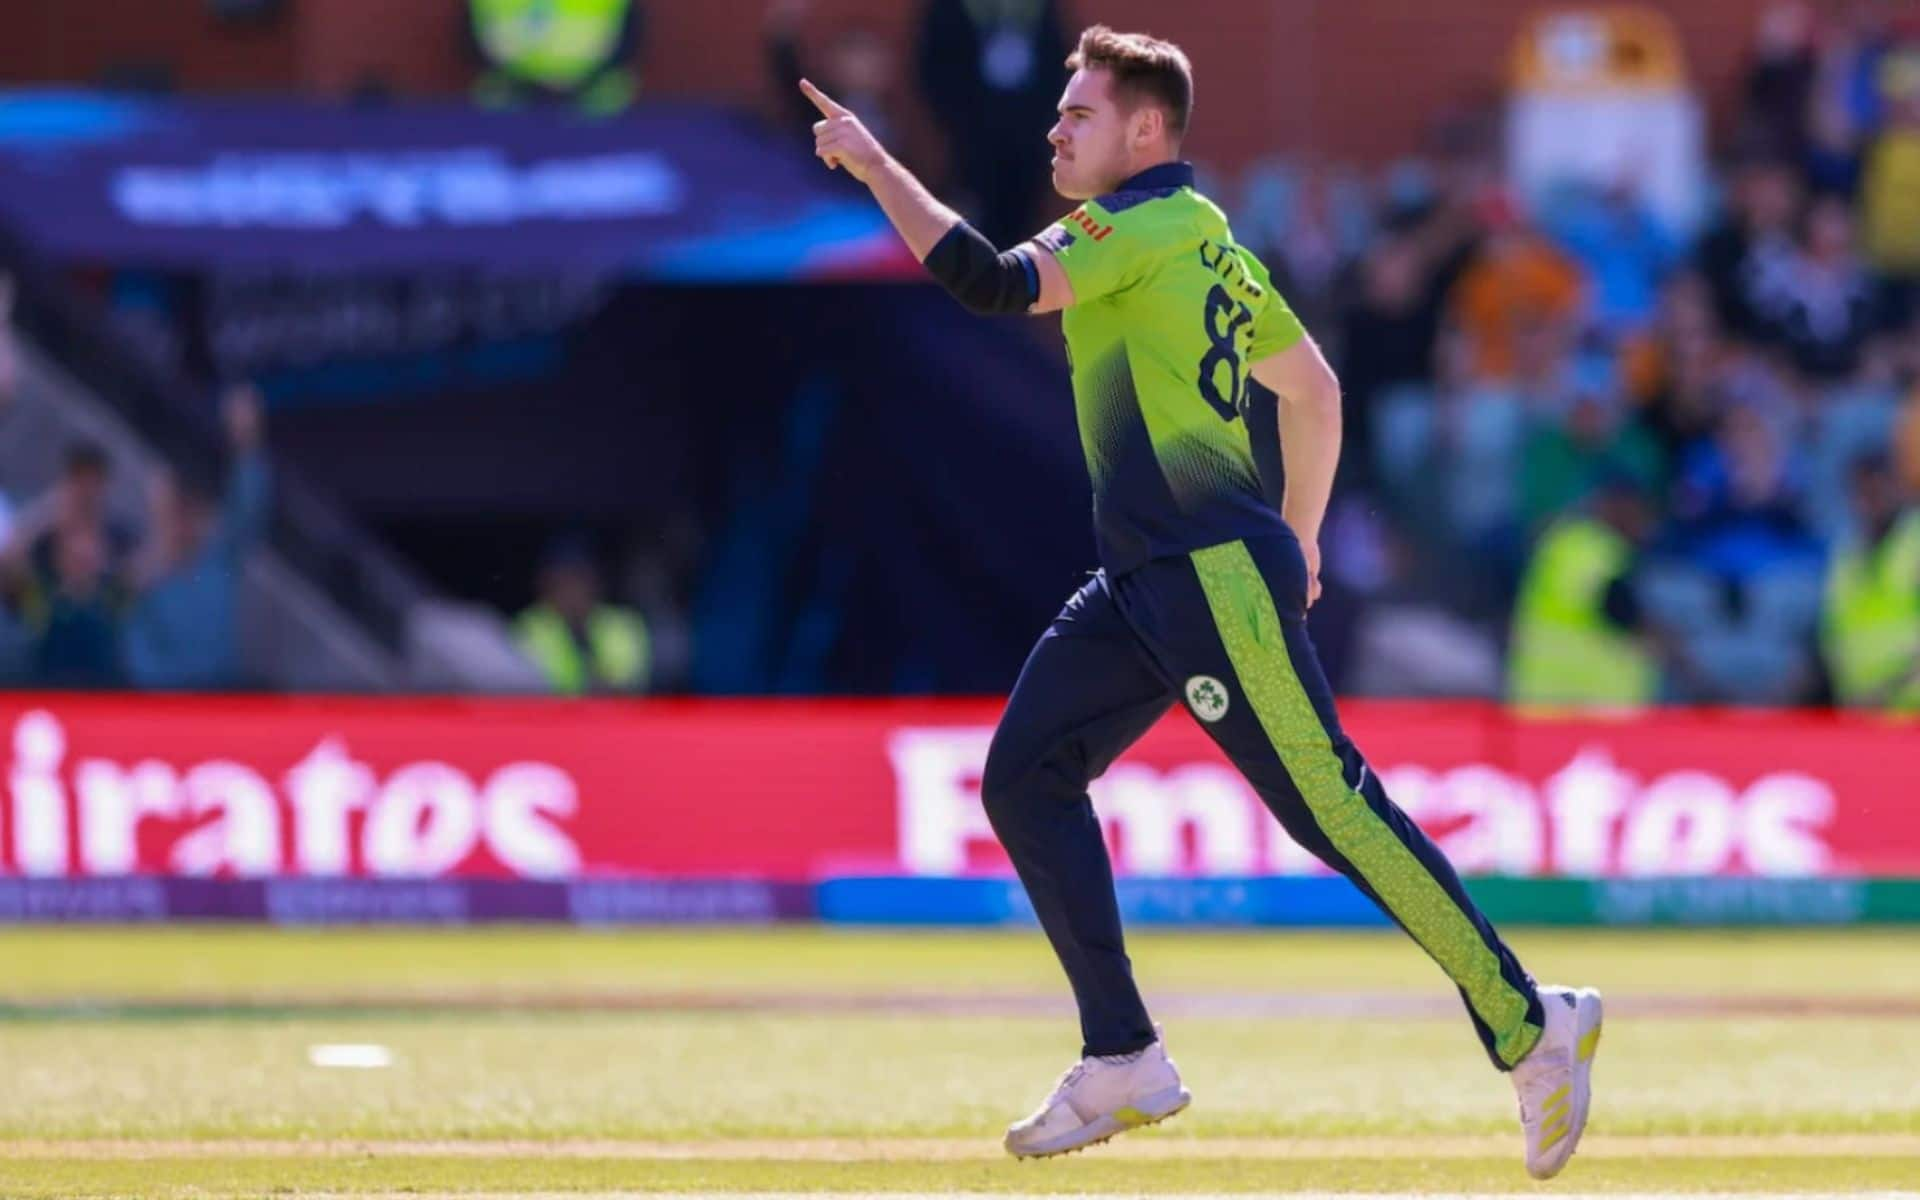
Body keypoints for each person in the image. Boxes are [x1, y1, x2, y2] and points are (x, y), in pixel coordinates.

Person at [798, 25, 1601, 1179]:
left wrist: (879, 167)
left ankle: (1532, 1024)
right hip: (1151, 578)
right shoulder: (1203, 231)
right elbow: (1311, 388)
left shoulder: (1131, 227)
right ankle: (1123, 1054)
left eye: (1077, 114)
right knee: (1024, 779)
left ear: (1144, 130)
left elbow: (985, 281)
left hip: (1207, 568)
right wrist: (1308, 539)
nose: (1054, 129)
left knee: (1332, 808)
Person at [123, 384, 273, 690]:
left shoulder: (219, 556)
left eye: (192, 507)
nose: (185, 517)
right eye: (177, 507)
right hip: (159, 713)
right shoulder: (140, 576)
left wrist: (247, 442)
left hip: (218, 706)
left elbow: (249, 502)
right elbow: (133, 661)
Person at [1822, 450, 1920, 709]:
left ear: (1897, 488)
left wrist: (1889, 689)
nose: (1869, 501)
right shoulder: (1845, 555)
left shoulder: (1915, 544)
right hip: (1859, 710)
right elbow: (1831, 633)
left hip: (1910, 711)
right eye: (1861, 493)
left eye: (1877, 490)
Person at [514, 537, 650, 695]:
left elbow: (631, 685)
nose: (571, 590)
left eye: (578, 578)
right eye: (562, 581)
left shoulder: (623, 624)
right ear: (545, 585)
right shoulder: (528, 627)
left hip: (615, 715)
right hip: (552, 716)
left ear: (595, 582)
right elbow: (529, 687)